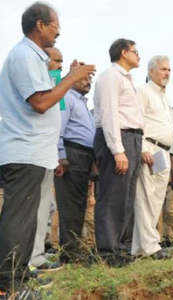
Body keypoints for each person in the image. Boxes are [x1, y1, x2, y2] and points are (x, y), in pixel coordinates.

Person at [0, 2, 95, 294]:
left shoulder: (34, 58)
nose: (59, 30)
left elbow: (48, 95)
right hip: (23, 151)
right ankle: (9, 285)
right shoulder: (24, 56)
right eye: (55, 25)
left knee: (29, 221)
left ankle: (22, 276)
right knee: (18, 220)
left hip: (35, 152)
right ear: (39, 25)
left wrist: (67, 77)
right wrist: (72, 78)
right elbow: (40, 102)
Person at [93, 38, 143, 262]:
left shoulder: (127, 79)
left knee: (126, 196)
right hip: (117, 138)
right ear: (124, 52)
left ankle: (121, 247)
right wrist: (117, 149)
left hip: (132, 138)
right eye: (135, 51)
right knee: (112, 195)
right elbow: (109, 114)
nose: (138, 55)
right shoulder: (111, 76)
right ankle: (108, 251)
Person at [131, 56, 173, 259]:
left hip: (163, 152)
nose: (166, 73)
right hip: (150, 147)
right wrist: (141, 148)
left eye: (168, 69)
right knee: (146, 197)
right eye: (163, 69)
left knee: (156, 199)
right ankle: (151, 246)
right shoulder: (143, 91)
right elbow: (135, 120)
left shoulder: (164, 96)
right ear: (151, 72)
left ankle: (140, 248)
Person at [28, 46, 65, 270]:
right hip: (32, 154)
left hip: (49, 153)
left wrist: (58, 154)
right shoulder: (39, 89)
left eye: (62, 61)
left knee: (46, 208)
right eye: (56, 61)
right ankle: (27, 259)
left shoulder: (56, 88)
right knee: (33, 209)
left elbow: (57, 123)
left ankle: (38, 255)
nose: (59, 66)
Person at [54, 74, 96, 262]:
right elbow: (59, 128)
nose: (88, 82)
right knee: (70, 204)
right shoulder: (66, 97)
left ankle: (74, 249)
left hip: (85, 156)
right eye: (84, 78)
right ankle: (69, 253)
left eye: (89, 79)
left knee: (80, 204)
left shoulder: (83, 103)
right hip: (71, 154)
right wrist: (61, 156)